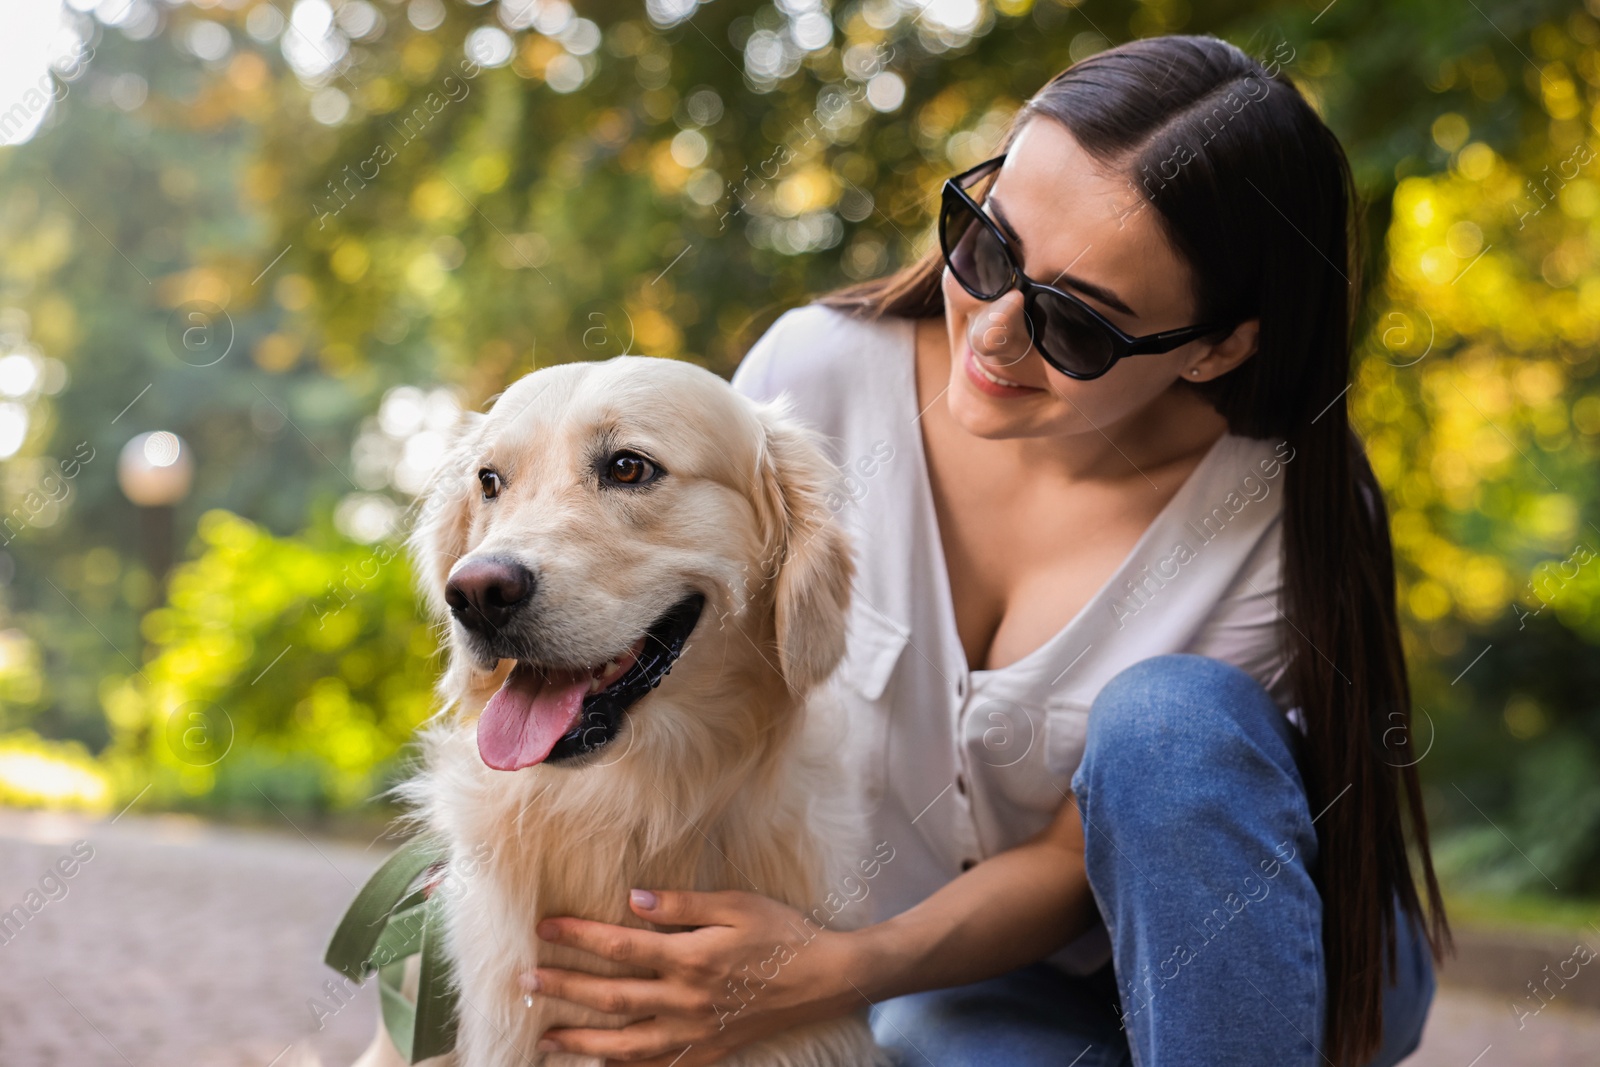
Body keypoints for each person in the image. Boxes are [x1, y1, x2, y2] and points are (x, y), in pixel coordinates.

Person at [519, 34, 1452, 1067]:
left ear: (1217, 346)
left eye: (1082, 325)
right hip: (971, 981)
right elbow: (684, 660)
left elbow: (1072, 851)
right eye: (987, 246)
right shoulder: (809, 385)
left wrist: (836, 967)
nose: (994, 335)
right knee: (920, 1036)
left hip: (1274, 968)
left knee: (1166, 723)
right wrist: (509, 849)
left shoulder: (1279, 508)